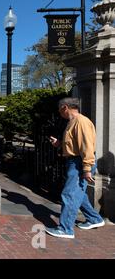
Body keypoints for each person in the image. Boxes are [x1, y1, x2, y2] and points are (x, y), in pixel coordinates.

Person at [46, 98, 105, 239]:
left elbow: (87, 146)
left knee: (69, 194)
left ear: (65, 107)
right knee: (79, 194)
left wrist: (86, 168)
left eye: (60, 110)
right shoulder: (73, 122)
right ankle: (95, 219)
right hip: (76, 162)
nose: (60, 114)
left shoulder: (81, 122)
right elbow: (75, 145)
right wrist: (60, 144)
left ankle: (65, 229)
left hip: (79, 163)